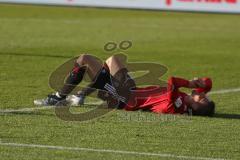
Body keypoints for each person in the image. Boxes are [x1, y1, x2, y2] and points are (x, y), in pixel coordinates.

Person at [34, 54, 215, 116]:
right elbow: (206, 85)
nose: (202, 95)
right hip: (131, 90)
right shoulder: (186, 103)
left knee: (84, 60)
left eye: (203, 99)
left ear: (197, 105)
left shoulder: (175, 105)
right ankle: (81, 94)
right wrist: (202, 85)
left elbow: (173, 82)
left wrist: (191, 82)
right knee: (113, 60)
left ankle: (58, 98)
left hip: (123, 99)